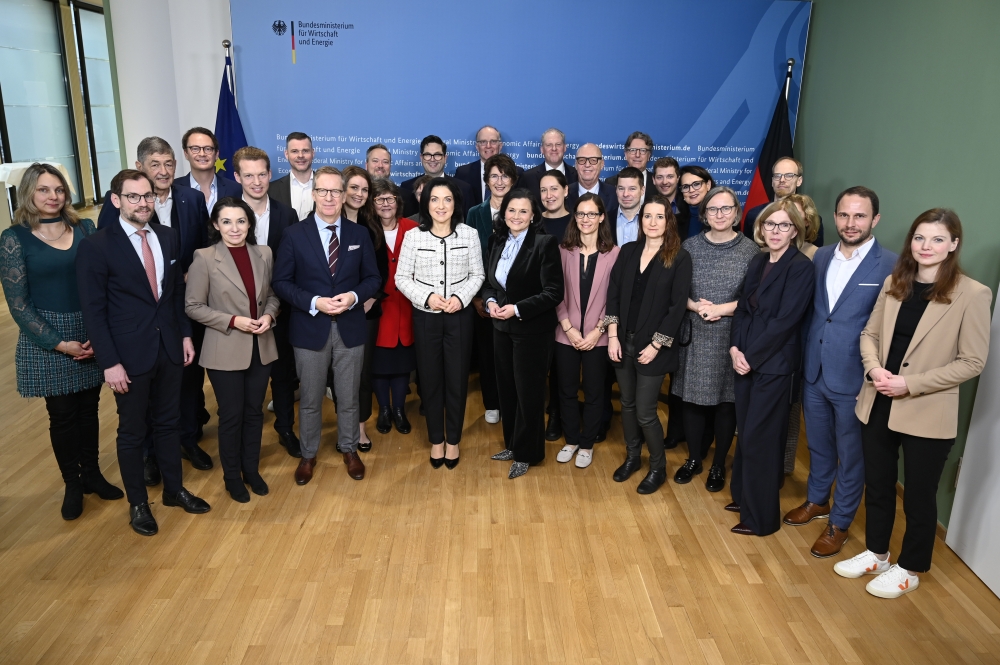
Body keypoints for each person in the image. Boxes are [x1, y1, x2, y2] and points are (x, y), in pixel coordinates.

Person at [834, 209, 991, 598]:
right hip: (878, 400)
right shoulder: (895, 282)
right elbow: (869, 335)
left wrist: (910, 384)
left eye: (937, 239)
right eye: (920, 237)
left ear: (953, 244)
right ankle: (877, 553)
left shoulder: (973, 293)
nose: (926, 246)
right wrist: (874, 370)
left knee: (919, 496)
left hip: (926, 409)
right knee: (879, 485)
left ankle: (910, 568)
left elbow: (972, 362)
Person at [77, 169, 211, 536]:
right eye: (133, 196)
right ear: (116, 200)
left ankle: (174, 490)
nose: (142, 203)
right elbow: (94, 312)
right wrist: (109, 363)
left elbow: (175, 294)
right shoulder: (96, 246)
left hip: (169, 347)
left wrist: (185, 336)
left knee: (169, 423)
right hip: (128, 356)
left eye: (147, 196)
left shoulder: (168, 237)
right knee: (133, 432)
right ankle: (138, 503)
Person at [0, 163, 123, 520]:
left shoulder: (85, 228)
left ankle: (93, 475)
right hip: (47, 336)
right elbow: (18, 304)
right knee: (63, 415)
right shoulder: (13, 238)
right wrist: (59, 343)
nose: (53, 196)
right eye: (43, 189)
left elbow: (104, 281)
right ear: (29, 193)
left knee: (89, 409)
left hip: (90, 330)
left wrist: (97, 333)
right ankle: (73, 483)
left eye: (58, 189)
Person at [782, 186, 897, 557]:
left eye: (860, 215)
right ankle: (818, 500)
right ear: (834, 217)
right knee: (818, 445)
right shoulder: (820, 256)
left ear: (875, 219)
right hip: (814, 371)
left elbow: (891, 329)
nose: (851, 223)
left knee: (851, 455)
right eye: (844, 215)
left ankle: (840, 522)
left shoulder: (890, 265)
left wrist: (875, 374)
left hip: (855, 378)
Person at [96, 136, 213, 481]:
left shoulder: (192, 198)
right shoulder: (119, 205)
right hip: (137, 320)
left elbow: (203, 246)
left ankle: (187, 439)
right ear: (140, 167)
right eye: (155, 164)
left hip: (182, 306)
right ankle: (150, 454)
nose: (163, 171)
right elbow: (109, 259)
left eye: (169, 164)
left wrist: (192, 275)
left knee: (188, 380)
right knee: (144, 394)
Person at [271, 166, 381, 484]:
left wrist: (353, 296)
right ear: (314, 194)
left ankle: (349, 448)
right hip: (310, 328)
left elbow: (373, 279)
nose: (329, 197)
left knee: (348, 396)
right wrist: (314, 302)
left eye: (335, 191)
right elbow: (281, 282)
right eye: (323, 190)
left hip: (350, 326)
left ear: (344, 195)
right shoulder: (294, 234)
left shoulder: (359, 234)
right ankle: (308, 454)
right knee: (310, 398)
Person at [728, 200, 815, 536]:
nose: (775, 231)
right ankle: (743, 499)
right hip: (744, 359)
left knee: (760, 439)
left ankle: (761, 519)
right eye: (770, 224)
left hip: (774, 365)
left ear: (795, 231)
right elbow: (742, 308)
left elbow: (785, 322)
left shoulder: (801, 267)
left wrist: (750, 356)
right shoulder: (759, 260)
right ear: (761, 228)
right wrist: (735, 348)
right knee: (746, 433)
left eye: (783, 225)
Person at [185, 198, 280, 503]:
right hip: (224, 349)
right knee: (231, 416)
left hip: (261, 347)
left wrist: (269, 316)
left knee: (254, 412)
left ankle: (250, 470)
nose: (234, 228)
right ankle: (231, 477)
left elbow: (272, 295)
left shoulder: (264, 253)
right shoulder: (204, 257)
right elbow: (193, 306)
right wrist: (232, 321)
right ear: (216, 225)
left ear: (249, 224)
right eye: (226, 221)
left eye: (241, 221)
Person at [670, 186, 759, 492]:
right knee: (692, 400)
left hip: (730, 337)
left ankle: (719, 463)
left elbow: (754, 298)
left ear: (736, 213)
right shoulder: (690, 247)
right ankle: (694, 458)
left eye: (726, 208)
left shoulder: (751, 251)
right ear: (704, 214)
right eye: (713, 209)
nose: (719, 215)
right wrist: (697, 307)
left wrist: (720, 309)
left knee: (725, 403)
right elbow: (676, 292)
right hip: (694, 334)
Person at [395, 178, 484, 468]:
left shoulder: (469, 234)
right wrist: (427, 297)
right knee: (430, 380)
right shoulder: (414, 237)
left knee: (457, 380)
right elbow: (401, 278)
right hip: (426, 318)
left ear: (455, 203)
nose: (441, 205)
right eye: (434, 199)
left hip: (460, 318)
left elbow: (478, 275)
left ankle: (453, 440)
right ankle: (436, 439)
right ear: (426, 204)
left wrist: (461, 297)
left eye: (447, 199)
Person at [605, 195, 691, 494]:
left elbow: (677, 307)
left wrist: (656, 345)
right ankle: (632, 457)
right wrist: (612, 335)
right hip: (622, 342)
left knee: (645, 411)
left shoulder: (679, 257)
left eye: (659, 216)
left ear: (669, 221)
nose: (653, 222)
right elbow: (613, 293)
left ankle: (657, 467)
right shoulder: (628, 251)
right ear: (640, 220)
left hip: (653, 348)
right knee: (627, 405)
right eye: (647, 216)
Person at [483, 189, 563, 479]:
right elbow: (490, 283)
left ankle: (528, 453)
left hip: (532, 330)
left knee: (529, 394)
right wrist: (490, 302)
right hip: (501, 328)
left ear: (533, 216)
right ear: (503, 213)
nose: (516, 216)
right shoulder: (496, 240)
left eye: (523, 211)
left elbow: (554, 292)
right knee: (506, 389)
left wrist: (516, 309)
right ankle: (513, 445)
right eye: (511, 210)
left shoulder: (544, 243)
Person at [232, 146, 301, 458]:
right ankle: (244, 439)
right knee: (244, 380)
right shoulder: (227, 213)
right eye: (249, 175)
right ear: (237, 177)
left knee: (283, 375)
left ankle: (285, 428)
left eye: (262, 174)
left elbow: (293, 263)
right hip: (239, 314)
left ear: (270, 174)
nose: (256, 181)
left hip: (280, 309)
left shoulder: (287, 214)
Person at [554, 193, 619, 468]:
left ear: (602, 217)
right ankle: (571, 440)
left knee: (594, 393)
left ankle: (587, 444)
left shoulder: (614, 254)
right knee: (566, 391)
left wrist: (597, 331)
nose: (586, 219)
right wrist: (568, 327)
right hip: (565, 334)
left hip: (598, 337)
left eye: (592, 214)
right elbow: (555, 292)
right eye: (581, 214)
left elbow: (614, 298)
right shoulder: (563, 250)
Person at [466, 154, 518, 427]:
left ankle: (513, 402)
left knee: (513, 355)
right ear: (486, 180)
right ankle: (492, 403)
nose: (499, 181)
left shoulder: (523, 211)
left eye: (505, 176)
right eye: (494, 176)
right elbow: (468, 257)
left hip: (515, 297)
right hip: (483, 297)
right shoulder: (475, 213)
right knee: (487, 353)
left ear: (513, 180)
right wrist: (476, 297)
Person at [341, 165, 390, 447]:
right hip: (331, 312)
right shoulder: (323, 221)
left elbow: (381, 272)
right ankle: (342, 426)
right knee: (337, 374)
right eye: (354, 188)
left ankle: (359, 428)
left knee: (361, 373)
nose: (359, 194)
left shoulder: (372, 226)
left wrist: (367, 302)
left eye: (364, 189)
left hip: (365, 312)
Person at [369, 179, 418, 438]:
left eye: (390, 199)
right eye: (380, 199)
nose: (386, 204)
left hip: (407, 306)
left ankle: (399, 409)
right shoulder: (365, 230)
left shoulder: (413, 228)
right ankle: (384, 410)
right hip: (377, 307)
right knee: (379, 363)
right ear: (372, 203)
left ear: (398, 202)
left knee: (401, 363)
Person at [538, 169, 573, 440]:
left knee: (562, 368)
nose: (549, 195)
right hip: (538, 305)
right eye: (543, 190)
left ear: (565, 191)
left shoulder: (578, 221)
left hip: (570, 305)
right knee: (540, 365)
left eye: (554, 189)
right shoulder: (533, 222)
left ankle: (556, 414)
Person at [743, 157, 824, 246]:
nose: (782, 180)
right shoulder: (754, 215)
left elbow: (816, 252)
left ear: (799, 181)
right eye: (777, 175)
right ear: (772, 181)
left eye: (789, 175)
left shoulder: (810, 219)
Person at [399, 135, 474, 215]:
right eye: (428, 155)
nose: (432, 159)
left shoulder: (463, 189)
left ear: (445, 158)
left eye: (437, 155)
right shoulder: (407, 187)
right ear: (421, 158)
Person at [454, 125, 523, 207]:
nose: (488, 146)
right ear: (477, 147)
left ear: (500, 146)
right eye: (483, 142)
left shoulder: (517, 172)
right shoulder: (463, 173)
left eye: (493, 141)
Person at [179, 127, 242, 213]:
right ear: (186, 153)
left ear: (216, 154)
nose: (202, 154)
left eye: (208, 149)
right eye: (195, 149)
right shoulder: (174, 189)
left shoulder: (235, 189)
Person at [520, 128, 578, 201]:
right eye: (549, 145)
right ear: (542, 149)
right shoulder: (528, 178)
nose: (554, 148)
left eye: (558, 144)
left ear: (564, 148)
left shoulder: (577, 175)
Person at [270, 132, 315, 221]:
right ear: (286, 154)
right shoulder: (271, 189)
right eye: (295, 151)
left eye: (305, 151)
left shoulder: (328, 187)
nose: (300, 155)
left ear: (313, 153)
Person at [366, 143, 418, 216]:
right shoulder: (359, 196)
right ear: (366, 165)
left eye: (385, 162)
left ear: (390, 166)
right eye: (375, 161)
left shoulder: (406, 197)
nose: (380, 165)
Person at [566, 144, 617, 216]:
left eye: (593, 160)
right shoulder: (564, 194)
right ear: (576, 164)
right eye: (582, 160)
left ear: (602, 164)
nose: (587, 165)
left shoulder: (614, 195)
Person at [605, 131, 655, 199]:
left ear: (649, 155)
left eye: (643, 150)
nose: (637, 155)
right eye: (633, 150)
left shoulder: (657, 182)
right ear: (626, 155)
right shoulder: (610, 183)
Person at [677, 165, 715, 239]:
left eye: (696, 184)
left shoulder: (721, 217)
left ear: (708, 185)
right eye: (685, 187)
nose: (691, 190)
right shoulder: (676, 221)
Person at [612, 167, 646, 247]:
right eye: (621, 189)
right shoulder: (605, 219)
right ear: (616, 190)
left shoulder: (651, 220)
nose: (625, 194)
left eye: (632, 189)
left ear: (642, 190)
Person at [787, 194, 821, 260]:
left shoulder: (816, 254)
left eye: (796, 213)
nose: (788, 217)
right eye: (786, 212)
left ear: (807, 221)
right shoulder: (768, 250)